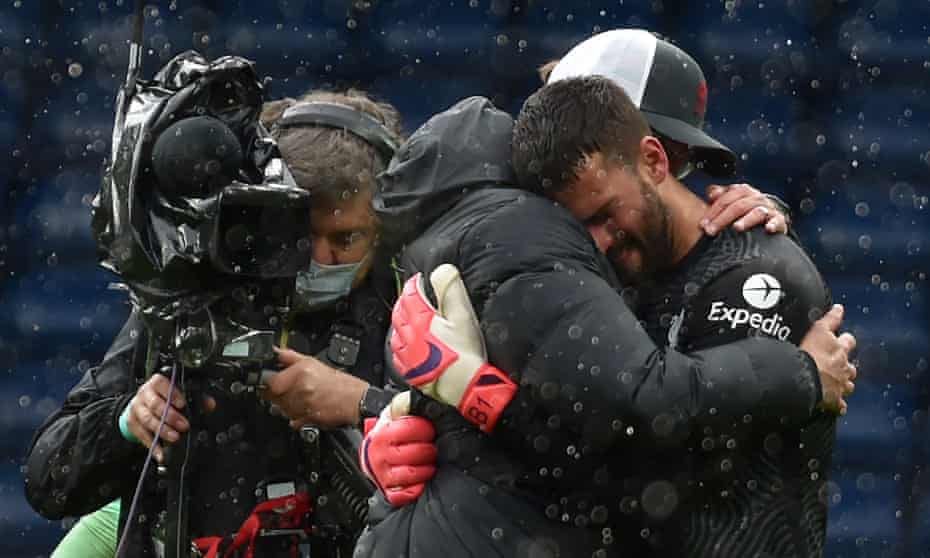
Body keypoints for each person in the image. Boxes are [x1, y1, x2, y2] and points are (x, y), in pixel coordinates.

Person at [355, 46, 856, 558]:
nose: (597, 240)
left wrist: (479, 396)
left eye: (603, 211)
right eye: (574, 219)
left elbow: (643, 475)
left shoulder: (754, 274)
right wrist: (390, 433)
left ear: (658, 157)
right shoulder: (576, 269)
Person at [24, 89, 428, 558]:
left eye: (347, 238)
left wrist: (363, 404)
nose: (320, 257)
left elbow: (479, 474)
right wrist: (126, 423)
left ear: (386, 229)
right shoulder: (199, 295)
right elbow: (47, 478)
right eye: (303, 231)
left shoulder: (410, 302)